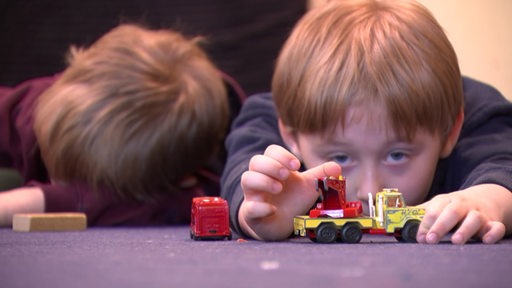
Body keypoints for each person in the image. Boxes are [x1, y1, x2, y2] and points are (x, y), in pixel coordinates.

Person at [221, 0, 512, 244]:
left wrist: (490, 199)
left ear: (450, 131)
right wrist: (257, 210)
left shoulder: (472, 112)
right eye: (340, 157)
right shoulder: (287, 112)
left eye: (397, 155)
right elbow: (243, 167)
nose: (370, 190)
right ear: (292, 136)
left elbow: (503, 163)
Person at [0, 24, 238, 226]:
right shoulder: (37, 109)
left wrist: (42, 201)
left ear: (183, 179)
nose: (58, 185)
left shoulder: (226, 158)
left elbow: (170, 203)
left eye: (81, 184)